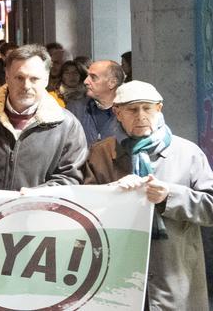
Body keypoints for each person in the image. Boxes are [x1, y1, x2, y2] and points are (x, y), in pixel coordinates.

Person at [83, 81, 213, 311]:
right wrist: (113, 193)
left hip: (175, 273)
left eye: (148, 108)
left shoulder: (187, 153)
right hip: (118, 274)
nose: (141, 116)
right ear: (117, 112)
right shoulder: (102, 153)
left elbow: (210, 209)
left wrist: (170, 196)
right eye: (132, 109)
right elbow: (85, 210)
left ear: (159, 109)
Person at [0, 45, 88, 190]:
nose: (26, 85)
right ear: (7, 77)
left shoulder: (67, 125)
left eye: (34, 79)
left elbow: (70, 177)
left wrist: (31, 198)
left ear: (46, 79)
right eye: (19, 78)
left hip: (38, 210)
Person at [68, 60, 126, 146]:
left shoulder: (129, 112)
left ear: (112, 83)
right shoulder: (74, 109)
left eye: (93, 77)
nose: (85, 81)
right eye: (88, 76)